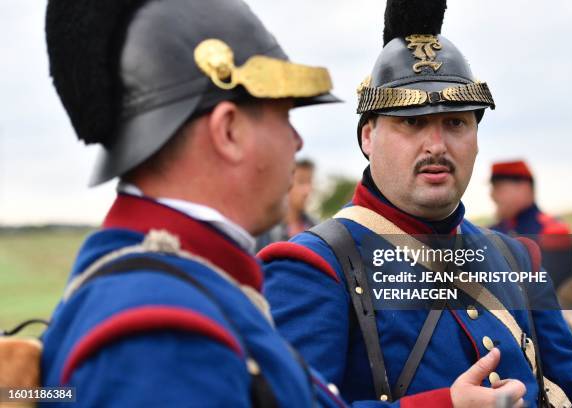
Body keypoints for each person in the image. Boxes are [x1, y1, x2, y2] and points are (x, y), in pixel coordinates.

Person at [259, 1, 572, 407]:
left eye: (456, 122)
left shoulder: (516, 259)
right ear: (368, 137)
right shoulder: (312, 266)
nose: (437, 146)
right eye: (412, 122)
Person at [40, 0, 350, 406]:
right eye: (283, 115)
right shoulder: (161, 338)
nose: (297, 141)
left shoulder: (181, 288)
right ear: (229, 131)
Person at [489, 160, 572, 289]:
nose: (492, 195)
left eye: (498, 188)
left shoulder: (553, 231)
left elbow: (552, 291)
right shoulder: (491, 232)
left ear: (523, 188)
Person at [256, 159, 318, 251]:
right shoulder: (263, 229)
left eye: (309, 182)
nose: (307, 190)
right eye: (301, 182)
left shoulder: (315, 227)